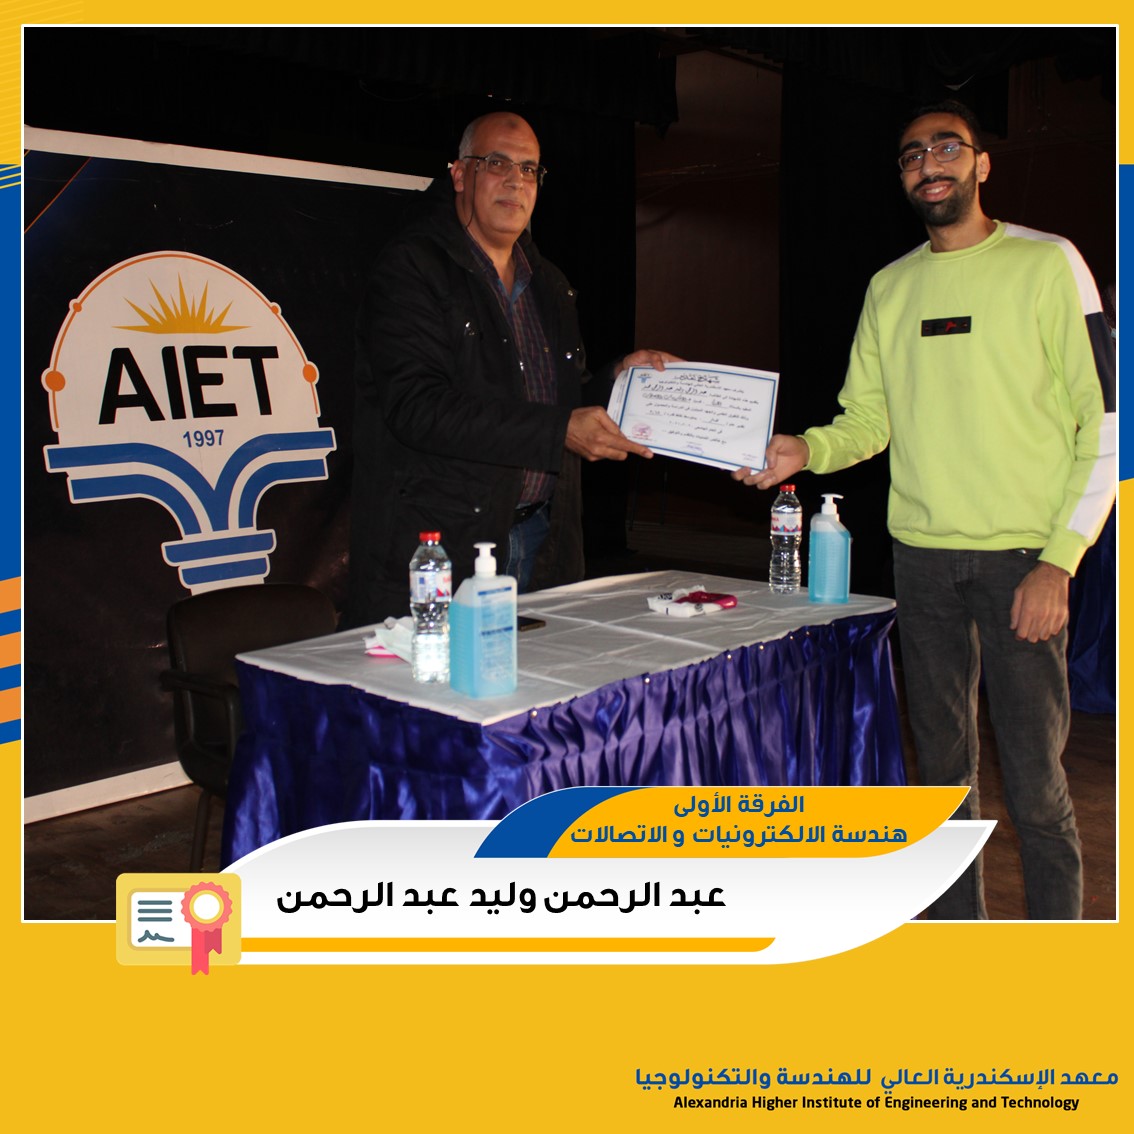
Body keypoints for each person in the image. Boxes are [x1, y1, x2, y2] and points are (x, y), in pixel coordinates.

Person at [735, 100, 1115, 919]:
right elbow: (868, 420)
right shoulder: (891, 287)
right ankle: (955, 947)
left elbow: (1108, 422)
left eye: (947, 148)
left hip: (1024, 563)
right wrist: (805, 449)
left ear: (982, 164)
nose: (929, 164)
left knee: (1036, 781)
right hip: (923, 563)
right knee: (942, 780)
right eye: (912, 155)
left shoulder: (1050, 263)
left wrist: (1060, 560)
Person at [344, 112, 675, 626]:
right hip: (447, 548)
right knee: (444, 679)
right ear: (460, 174)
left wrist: (621, 380)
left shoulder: (550, 284)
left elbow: (561, 404)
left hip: (543, 541)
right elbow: (418, 408)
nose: (515, 181)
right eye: (497, 163)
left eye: (529, 169)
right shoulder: (411, 268)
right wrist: (560, 430)